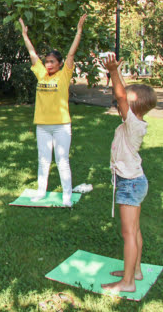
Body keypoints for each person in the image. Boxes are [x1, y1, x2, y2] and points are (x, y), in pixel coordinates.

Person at [100, 53, 157, 293]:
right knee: (134, 231)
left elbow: (121, 95)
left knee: (128, 233)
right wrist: (119, 75)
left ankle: (128, 283)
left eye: (125, 99)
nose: (119, 97)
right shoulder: (135, 122)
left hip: (130, 183)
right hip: (134, 181)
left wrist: (113, 71)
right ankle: (135, 270)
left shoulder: (132, 123)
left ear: (132, 106)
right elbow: (123, 92)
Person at [19, 14, 87, 206]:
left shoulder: (64, 75)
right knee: (43, 160)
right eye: (46, 61)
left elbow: (72, 54)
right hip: (43, 126)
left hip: (61, 126)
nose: (48, 64)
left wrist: (79, 32)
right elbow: (32, 54)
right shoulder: (41, 74)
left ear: (59, 64)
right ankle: (41, 192)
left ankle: (67, 196)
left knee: (62, 160)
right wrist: (25, 36)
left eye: (52, 62)